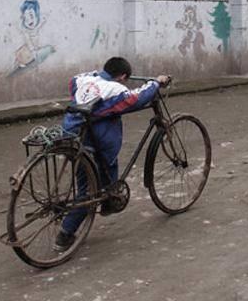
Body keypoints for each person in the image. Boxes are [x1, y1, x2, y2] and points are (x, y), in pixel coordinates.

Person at [54, 57, 170, 251]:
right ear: (123, 77)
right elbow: (137, 98)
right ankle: (65, 234)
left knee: (106, 168)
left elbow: (72, 81)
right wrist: (155, 83)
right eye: (125, 79)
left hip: (70, 133)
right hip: (92, 141)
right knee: (89, 189)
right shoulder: (116, 90)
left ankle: (109, 198)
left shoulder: (83, 79)